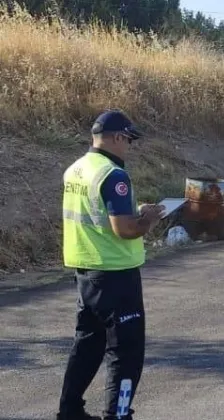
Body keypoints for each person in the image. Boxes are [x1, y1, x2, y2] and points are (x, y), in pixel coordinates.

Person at [57, 110, 165, 420]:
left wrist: (137, 209)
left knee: (88, 343)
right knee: (126, 352)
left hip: (86, 271)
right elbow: (125, 230)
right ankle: (118, 415)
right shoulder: (113, 174)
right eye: (128, 140)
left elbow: (98, 215)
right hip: (116, 274)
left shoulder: (75, 169)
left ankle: (69, 411)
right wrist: (149, 219)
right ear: (117, 137)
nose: (129, 146)